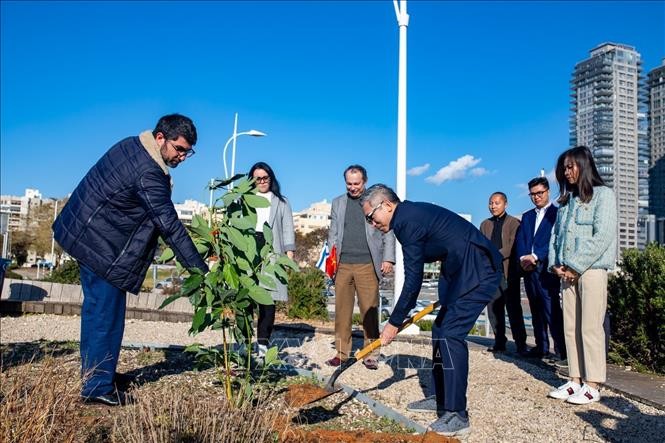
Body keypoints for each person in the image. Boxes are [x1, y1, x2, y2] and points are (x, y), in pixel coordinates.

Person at [53, 114, 208, 406]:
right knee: (106, 317)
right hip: (101, 245)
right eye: (179, 149)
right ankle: (97, 388)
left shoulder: (132, 145)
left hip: (89, 235)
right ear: (161, 138)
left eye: (188, 152)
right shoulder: (148, 172)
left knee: (98, 311)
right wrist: (201, 271)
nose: (183, 157)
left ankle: (99, 374)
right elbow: (169, 226)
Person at [361, 184, 503, 437]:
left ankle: (457, 415)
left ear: (387, 205)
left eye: (371, 217)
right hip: (460, 272)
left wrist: (393, 323)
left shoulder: (408, 222)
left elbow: (413, 281)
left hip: (479, 270)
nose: (372, 224)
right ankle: (442, 399)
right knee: (440, 330)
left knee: (451, 334)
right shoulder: (407, 218)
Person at [547, 146, 617, 405]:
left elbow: (603, 236)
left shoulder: (603, 195)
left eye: (570, 166)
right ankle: (575, 379)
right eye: (564, 168)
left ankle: (593, 382)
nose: (566, 173)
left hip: (592, 271)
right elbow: (556, 236)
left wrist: (574, 265)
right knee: (570, 327)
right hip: (567, 273)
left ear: (584, 165)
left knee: (590, 327)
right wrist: (556, 265)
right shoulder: (566, 202)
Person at [326, 165, 395, 370]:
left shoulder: (374, 201)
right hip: (343, 265)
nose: (353, 187)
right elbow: (333, 233)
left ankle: (371, 353)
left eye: (357, 183)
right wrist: (331, 261)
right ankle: (341, 353)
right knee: (342, 312)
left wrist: (388, 258)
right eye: (349, 183)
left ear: (364, 181)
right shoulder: (338, 203)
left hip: (367, 264)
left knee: (369, 311)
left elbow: (388, 231)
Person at [514, 177, 566, 361]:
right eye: (532, 194)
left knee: (551, 311)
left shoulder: (557, 214)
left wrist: (536, 256)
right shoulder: (527, 216)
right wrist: (523, 258)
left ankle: (561, 351)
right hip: (529, 270)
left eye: (539, 193)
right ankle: (541, 347)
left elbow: (556, 240)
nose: (536, 197)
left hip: (547, 269)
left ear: (548, 192)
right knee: (535, 309)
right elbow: (521, 240)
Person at [247, 162, 295, 356]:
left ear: (271, 178)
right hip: (249, 250)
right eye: (258, 178)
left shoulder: (281, 201)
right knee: (247, 299)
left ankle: (263, 345)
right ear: (252, 180)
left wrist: (289, 253)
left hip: (272, 251)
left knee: (268, 301)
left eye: (265, 177)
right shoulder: (245, 200)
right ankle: (243, 343)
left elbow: (287, 228)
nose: (262, 181)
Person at [479, 192, 527, 354]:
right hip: (490, 274)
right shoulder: (485, 224)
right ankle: (499, 342)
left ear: (505, 204)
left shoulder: (514, 223)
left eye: (497, 203)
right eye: (491, 203)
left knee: (513, 309)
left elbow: (512, 246)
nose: (493, 206)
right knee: (493, 310)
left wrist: (493, 256)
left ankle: (521, 344)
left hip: (508, 273)